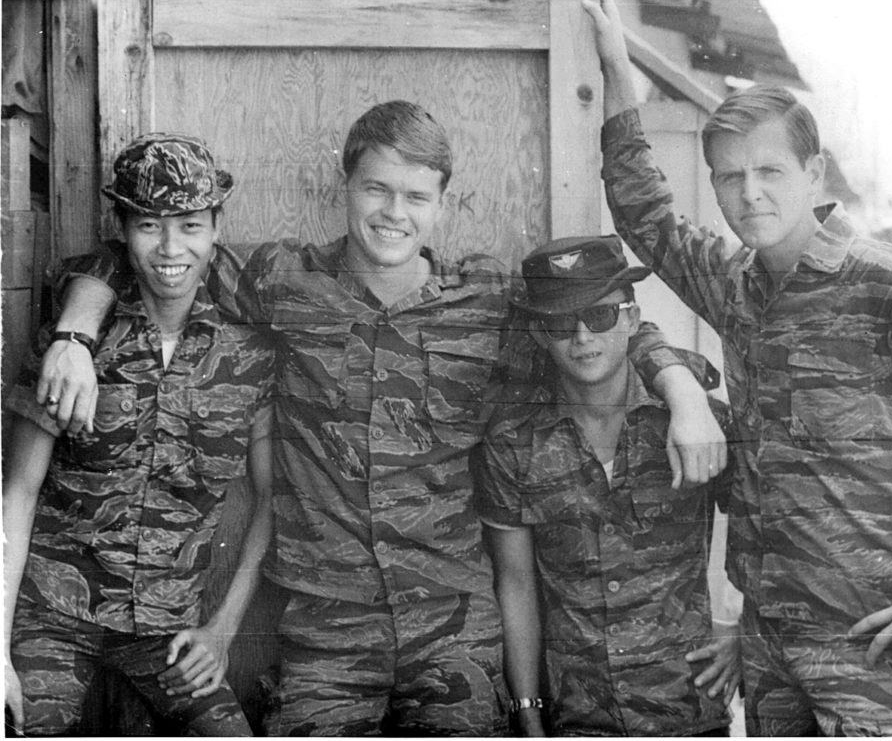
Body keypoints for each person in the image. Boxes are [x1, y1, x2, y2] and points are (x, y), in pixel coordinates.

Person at [33, 100, 726, 735]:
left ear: (441, 205)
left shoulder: (484, 299)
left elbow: (590, 322)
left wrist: (680, 384)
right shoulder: (284, 281)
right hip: (329, 633)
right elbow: (154, 258)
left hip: (452, 627)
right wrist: (74, 332)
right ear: (346, 186)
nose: (394, 212)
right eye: (377, 188)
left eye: (416, 196)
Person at [583, 0, 892, 737]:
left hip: (872, 643)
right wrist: (614, 66)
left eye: (769, 171)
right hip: (768, 649)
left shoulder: (890, 286)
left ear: (814, 170)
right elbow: (646, 215)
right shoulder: (736, 284)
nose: (748, 193)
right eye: (729, 177)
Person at [3, 134, 275, 736]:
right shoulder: (72, 343)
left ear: (215, 227)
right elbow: (16, 494)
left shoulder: (250, 346)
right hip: (53, 612)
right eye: (149, 224)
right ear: (122, 229)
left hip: (166, 628)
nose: (171, 248)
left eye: (191, 225)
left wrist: (222, 632)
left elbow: (270, 498)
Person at [475, 235, 742, 737]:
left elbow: (773, 528)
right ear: (538, 332)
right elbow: (516, 585)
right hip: (577, 716)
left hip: (685, 709)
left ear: (632, 319)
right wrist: (527, 708)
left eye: (599, 316)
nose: (582, 337)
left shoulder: (696, 423)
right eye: (559, 322)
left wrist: (743, 629)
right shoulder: (513, 446)